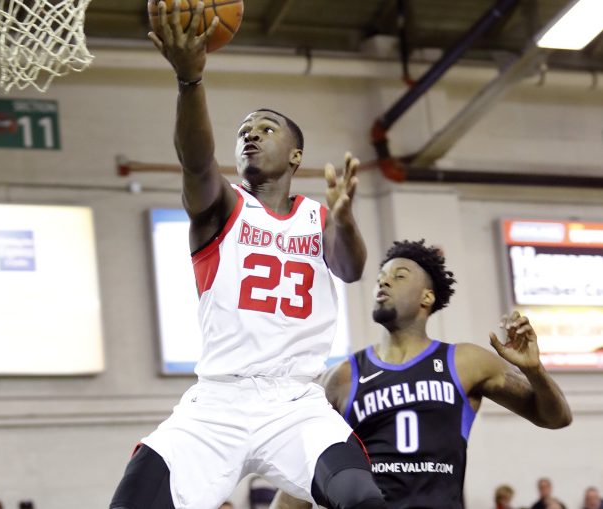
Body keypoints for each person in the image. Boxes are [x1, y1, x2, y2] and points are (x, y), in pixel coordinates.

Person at [108, 2, 386, 509]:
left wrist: (344, 219)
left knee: (362, 499)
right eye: (243, 132)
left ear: (296, 155)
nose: (251, 135)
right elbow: (195, 163)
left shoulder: (318, 216)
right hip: (218, 402)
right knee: (132, 502)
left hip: (296, 403)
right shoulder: (223, 207)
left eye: (266, 128)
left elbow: (351, 270)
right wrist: (190, 82)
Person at [271, 239, 572, 509]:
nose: (384, 283)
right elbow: (299, 483)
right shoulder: (341, 377)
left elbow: (555, 417)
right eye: (380, 278)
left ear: (427, 297)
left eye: (398, 276)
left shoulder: (466, 361)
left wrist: (534, 370)